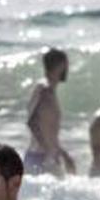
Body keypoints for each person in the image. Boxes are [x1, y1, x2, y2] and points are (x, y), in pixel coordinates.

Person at [24, 48, 77, 178]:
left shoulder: (47, 90)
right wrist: (49, 151)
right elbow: (32, 122)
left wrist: (63, 154)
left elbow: (49, 133)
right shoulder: (44, 89)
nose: (67, 69)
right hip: (41, 158)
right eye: (66, 64)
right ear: (60, 66)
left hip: (43, 157)